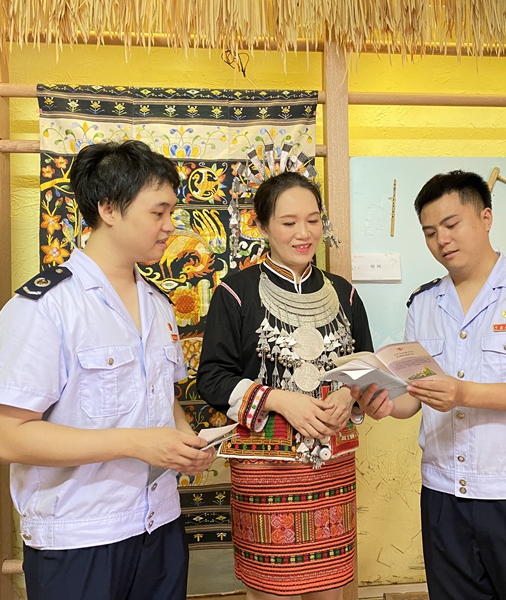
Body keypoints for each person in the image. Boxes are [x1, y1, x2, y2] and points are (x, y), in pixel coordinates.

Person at [0, 140, 215, 600]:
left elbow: (161, 398)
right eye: (158, 213)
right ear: (108, 208)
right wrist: (136, 443)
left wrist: (186, 441)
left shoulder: (157, 305)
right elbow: (8, 438)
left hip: (159, 526)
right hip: (80, 537)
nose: (171, 227)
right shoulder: (45, 307)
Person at [359, 169, 506, 600]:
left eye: (451, 225)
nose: (441, 240)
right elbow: (415, 400)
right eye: (430, 232)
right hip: (444, 495)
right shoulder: (424, 302)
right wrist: (384, 404)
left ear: (486, 217)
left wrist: (465, 393)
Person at [197, 171, 374, 600]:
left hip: (331, 468)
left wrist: (347, 393)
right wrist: (279, 400)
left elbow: (366, 364)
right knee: (274, 591)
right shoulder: (235, 293)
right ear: (261, 225)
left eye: (313, 220)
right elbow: (212, 377)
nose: (304, 233)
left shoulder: (344, 293)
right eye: (288, 222)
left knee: (330, 589)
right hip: (266, 471)